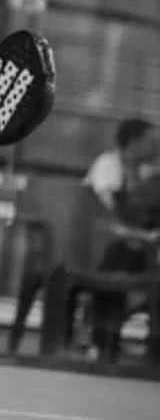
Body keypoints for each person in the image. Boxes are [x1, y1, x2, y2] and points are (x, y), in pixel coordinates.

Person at [82, 118, 160, 362]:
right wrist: (142, 236)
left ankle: (129, 341)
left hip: (130, 245)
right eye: (152, 141)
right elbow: (106, 220)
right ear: (134, 143)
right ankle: (103, 338)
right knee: (123, 259)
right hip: (93, 246)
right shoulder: (109, 166)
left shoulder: (143, 173)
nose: (157, 147)